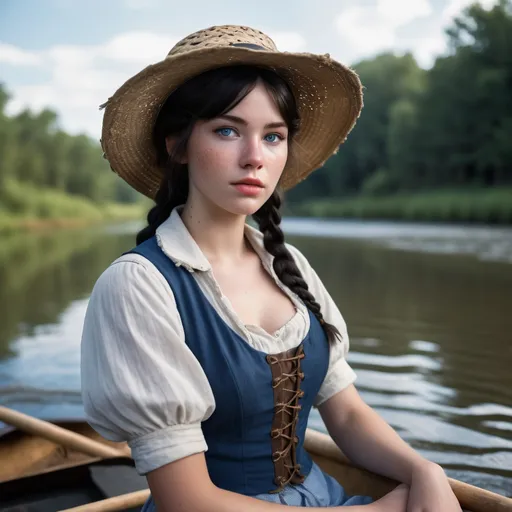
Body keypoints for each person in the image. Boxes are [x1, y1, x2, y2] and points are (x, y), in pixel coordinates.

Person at [80, 25, 462, 511]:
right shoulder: (138, 285)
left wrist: (423, 471)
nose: (255, 158)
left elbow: (344, 414)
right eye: (227, 130)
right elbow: (187, 500)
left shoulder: (289, 266)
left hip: (321, 498)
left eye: (273, 136)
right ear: (177, 144)